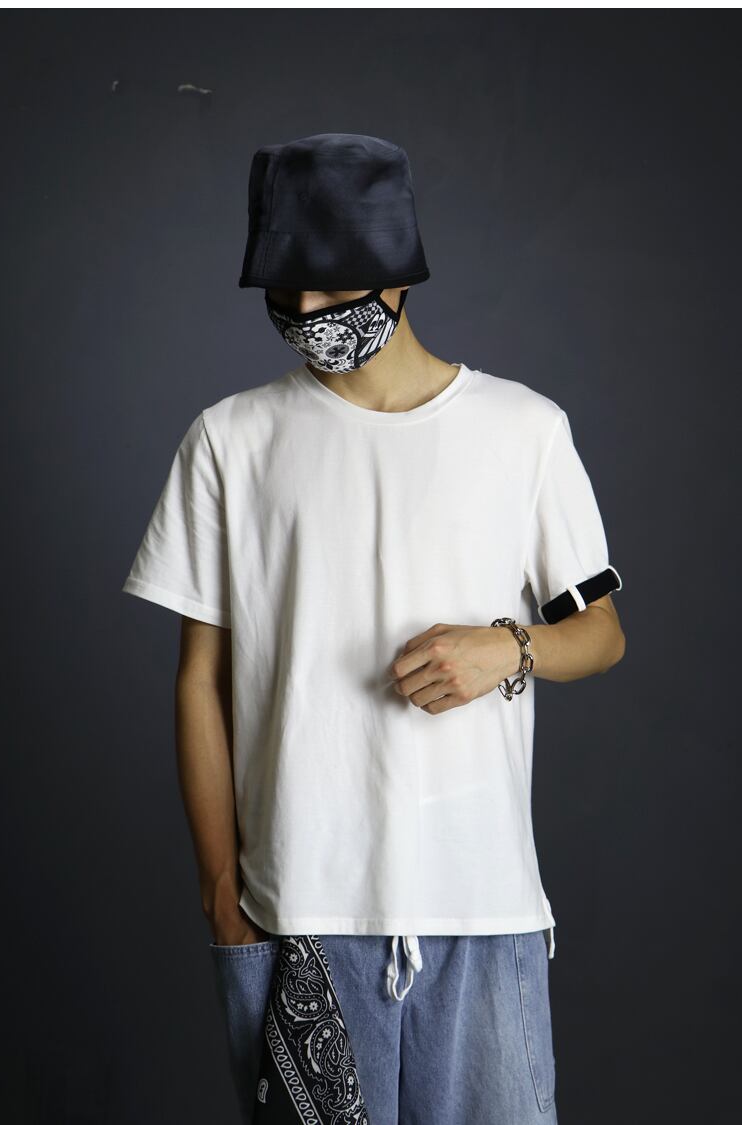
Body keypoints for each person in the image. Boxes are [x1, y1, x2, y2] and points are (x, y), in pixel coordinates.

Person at [121, 133, 625, 1125]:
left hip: (484, 908)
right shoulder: (231, 439)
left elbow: (601, 633)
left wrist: (508, 645)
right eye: (286, 289)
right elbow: (199, 681)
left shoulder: (523, 430)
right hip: (298, 913)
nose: (307, 311)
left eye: (331, 286)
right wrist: (223, 896)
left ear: (397, 272)